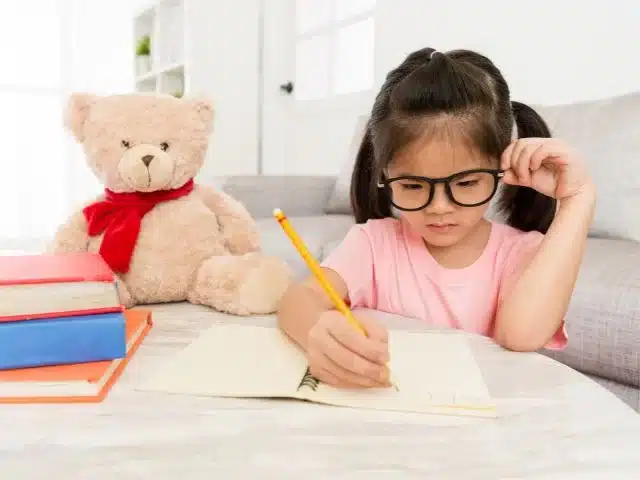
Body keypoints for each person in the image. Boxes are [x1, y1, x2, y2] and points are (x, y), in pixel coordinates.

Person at [276, 47, 596, 389]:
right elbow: (299, 299)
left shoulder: (523, 253)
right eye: (413, 185)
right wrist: (317, 334)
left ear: (501, 168)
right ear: (384, 174)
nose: (439, 207)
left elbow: (521, 335)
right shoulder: (373, 244)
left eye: (466, 183)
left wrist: (579, 199)